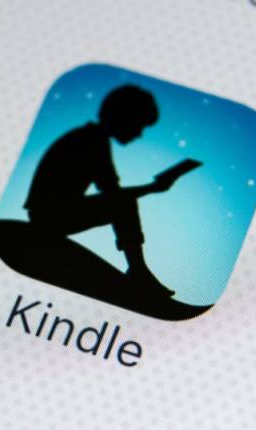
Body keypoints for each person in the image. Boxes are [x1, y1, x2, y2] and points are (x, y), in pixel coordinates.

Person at [24, 85, 179, 296]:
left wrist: (150, 188)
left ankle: (138, 271)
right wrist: (152, 188)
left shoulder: (90, 137)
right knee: (123, 205)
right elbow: (114, 195)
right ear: (125, 118)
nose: (139, 134)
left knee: (122, 202)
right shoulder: (92, 141)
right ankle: (138, 271)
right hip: (50, 216)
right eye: (139, 125)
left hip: (51, 212)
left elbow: (111, 192)